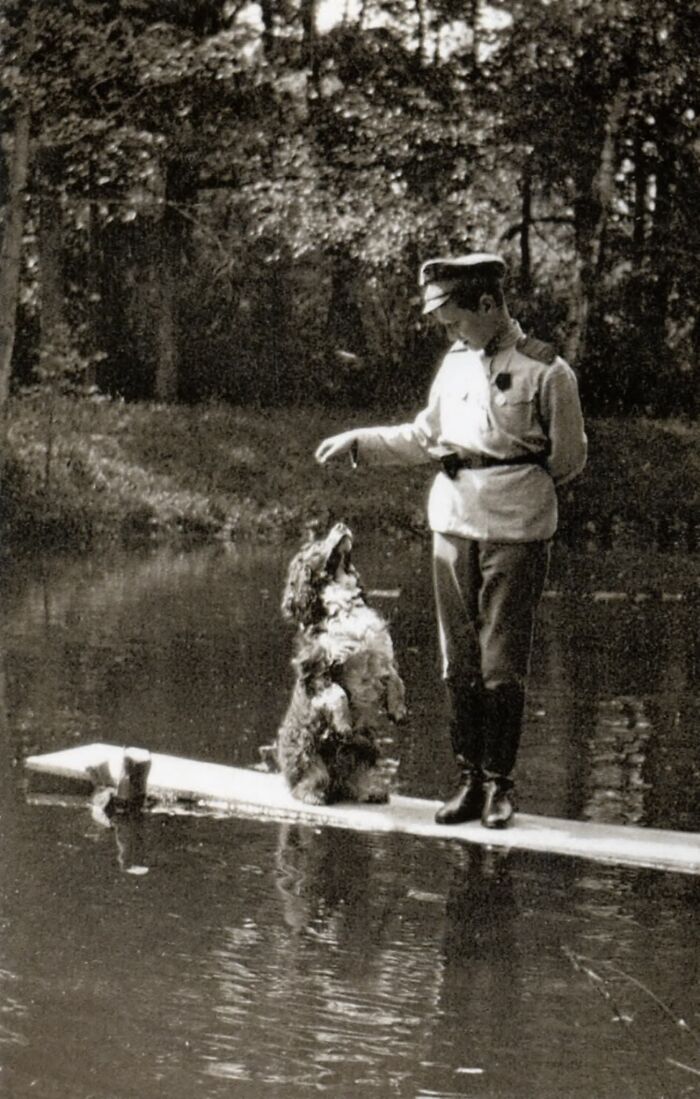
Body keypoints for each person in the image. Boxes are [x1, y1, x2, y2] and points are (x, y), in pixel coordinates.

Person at [314, 252, 587, 828]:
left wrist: (508, 482)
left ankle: (500, 786)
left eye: (456, 317)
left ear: (488, 304)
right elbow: (424, 436)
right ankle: (468, 780)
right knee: (456, 661)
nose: (449, 329)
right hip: (452, 526)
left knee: (501, 664)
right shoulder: (456, 365)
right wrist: (360, 441)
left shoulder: (549, 372)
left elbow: (567, 460)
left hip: (515, 529)